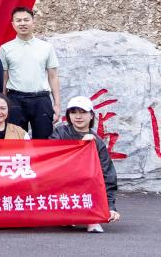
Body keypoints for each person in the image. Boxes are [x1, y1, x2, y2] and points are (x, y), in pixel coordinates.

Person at [51, 96, 120, 232]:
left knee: (93, 177)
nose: (78, 116)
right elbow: (51, 157)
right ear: (68, 115)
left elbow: (108, 175)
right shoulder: (60, 132)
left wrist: (110, 207)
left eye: (83, 112)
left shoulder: (98, 142)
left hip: (86, 188)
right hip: (62, 186)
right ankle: (67, 214)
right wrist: (81, 145)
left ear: (91, 115)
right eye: (73, 112)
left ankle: (92, 218)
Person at [0, 6, 61, 139]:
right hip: (15, 99)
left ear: (33, 22)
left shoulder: (46, 47)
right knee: (15, 141)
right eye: (18, 20)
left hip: (41, 100)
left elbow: (53, 77)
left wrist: (57, 104)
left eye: (26, 20)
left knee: (44, 141)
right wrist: (3, 103)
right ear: (13, 24)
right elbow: (4, 78)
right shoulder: (5, 48)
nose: (22, 23)